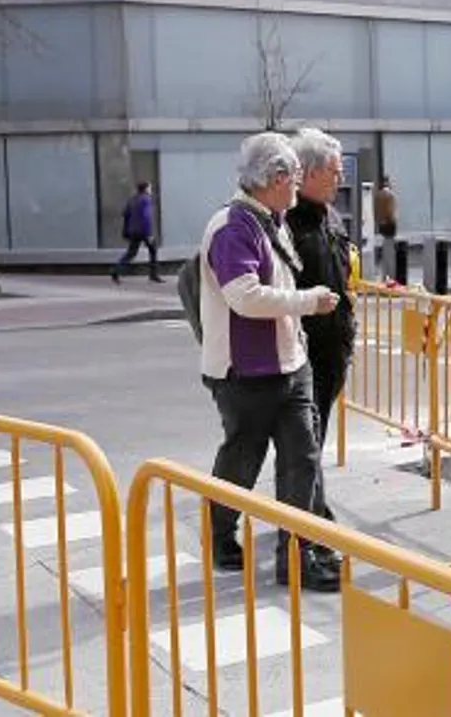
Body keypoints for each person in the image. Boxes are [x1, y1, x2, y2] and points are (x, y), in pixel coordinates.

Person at [195, 132, 342, 592]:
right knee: (243, 460)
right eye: (295, 178)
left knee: (302, 460)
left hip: (289, 365)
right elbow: (244, 298)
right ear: (276, 179)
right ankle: (220, 536)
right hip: (246, 373)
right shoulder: (232, 226)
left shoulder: (271, 219)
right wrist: (308, 302)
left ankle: (296, 559)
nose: (298, 187)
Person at [287, 129, 356, 488]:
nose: (340, 178)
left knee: (315, 437)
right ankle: (306, 524)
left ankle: (307, 518)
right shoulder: (285, 222)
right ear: (310, 173)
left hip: (333, 349)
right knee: (303, 446)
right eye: (334, 170)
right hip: (301, 353)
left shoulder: (331, 216)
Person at [112, 182, 161, 283]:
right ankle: (153, 274)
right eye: (150, 188)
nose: (151, 190)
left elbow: (125, 214)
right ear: (146, 189)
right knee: (153, 250)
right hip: (143, 230)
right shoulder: (146, 199)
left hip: (133, 230)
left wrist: (127, 229)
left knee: (131, 253)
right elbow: (146, 217)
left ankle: (116, 270)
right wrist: (149, 234)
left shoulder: (132, 199)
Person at [373, 175, 398, 241]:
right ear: (387, 182)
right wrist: (392, 219)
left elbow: (375, 211)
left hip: (381, 223)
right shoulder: (390, 195)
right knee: (390, 243)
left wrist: (378, 221)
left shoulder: (377, 196)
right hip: (389, 223)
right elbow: (390, 211)